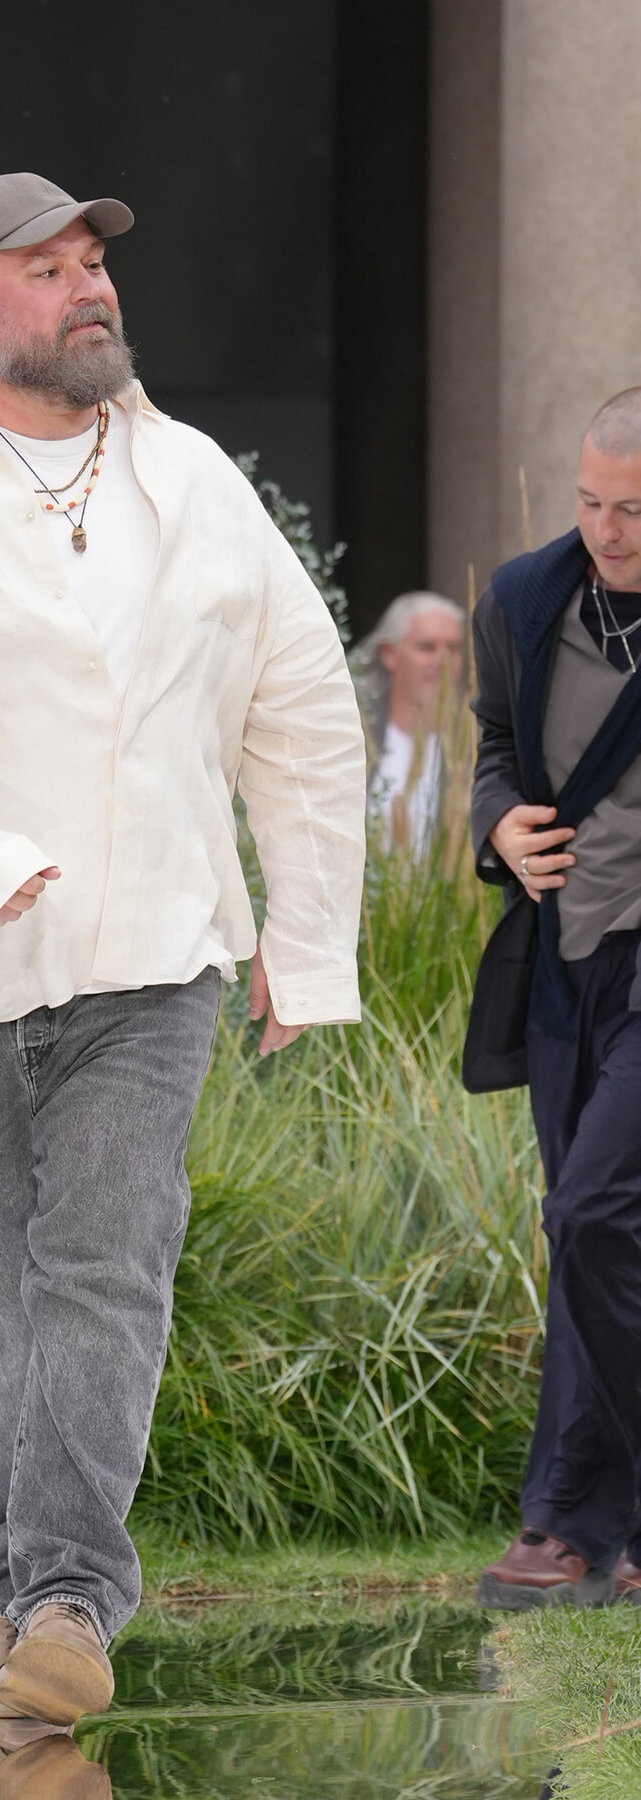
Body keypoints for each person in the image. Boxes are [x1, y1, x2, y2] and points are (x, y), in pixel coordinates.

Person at [0, 171, 367, 1725]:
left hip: (152, 962)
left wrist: (303, 949)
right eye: (48, 267)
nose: (89, 286)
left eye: (95, 262)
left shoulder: (198, 484)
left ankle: (66, 1607)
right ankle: (18, 1605)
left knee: (105, 1269)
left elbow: (298, 714)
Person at [469, 386, 641, 1610]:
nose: (606, 532)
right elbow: (490, 746)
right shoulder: (527, 596)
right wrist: (500, 829)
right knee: (578, 1232)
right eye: (588, 503)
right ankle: (575, 1520)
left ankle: (581, 1509)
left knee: (591, 1215)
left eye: (632, 512)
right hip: (562, 962)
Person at [351, 591, 466, 856]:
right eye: (427, 647)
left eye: (453, 649)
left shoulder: (475, 748)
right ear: (389, 654)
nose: (442, 661)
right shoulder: (353, 740)